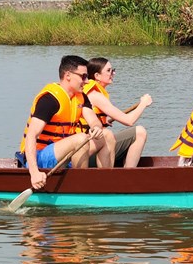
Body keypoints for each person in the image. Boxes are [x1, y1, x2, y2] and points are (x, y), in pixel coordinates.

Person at [20, 55, 115, 190]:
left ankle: (106, 186)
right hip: (40, 157)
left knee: (107, 135)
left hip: (64, 153)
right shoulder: (50, 100)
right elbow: (31, 136)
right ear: (68, 75)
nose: (87, 81)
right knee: (80, 138)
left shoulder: (81, 97)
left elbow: (94, 120)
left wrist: (96, 127)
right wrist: (34, 173)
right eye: (83, 77)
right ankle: (81, 187)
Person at [82, 57, 152, 167]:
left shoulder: (90, 92)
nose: (113, 73)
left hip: (90, 146)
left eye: (113, 70)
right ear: (97, 76)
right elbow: (129, 121)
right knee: (140, 132)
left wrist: (103, 122)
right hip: (89, 153)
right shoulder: (96, 95)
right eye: (109, 71)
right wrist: (143, 103)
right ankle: (127, 175)